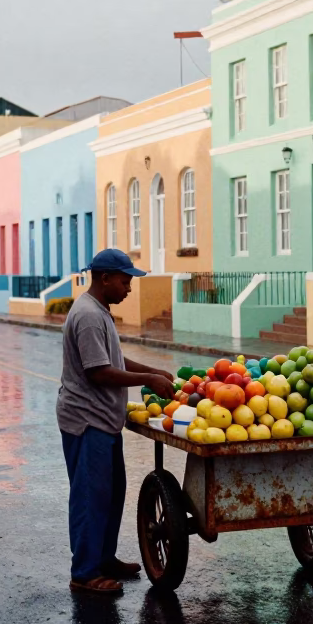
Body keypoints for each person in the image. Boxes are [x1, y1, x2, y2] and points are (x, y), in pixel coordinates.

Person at [56, 248, 175, 596]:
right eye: (124, 282)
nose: (129, 289)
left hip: (104, 420)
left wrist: (152, 370)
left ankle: (103, 558)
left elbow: (115, 358)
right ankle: (84, 572)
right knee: (91, 497)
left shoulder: (99, 311)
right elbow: (99, 371)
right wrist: (147, 382)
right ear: (105, 278)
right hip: (86, 420)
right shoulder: (90, 316)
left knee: (110, 494)